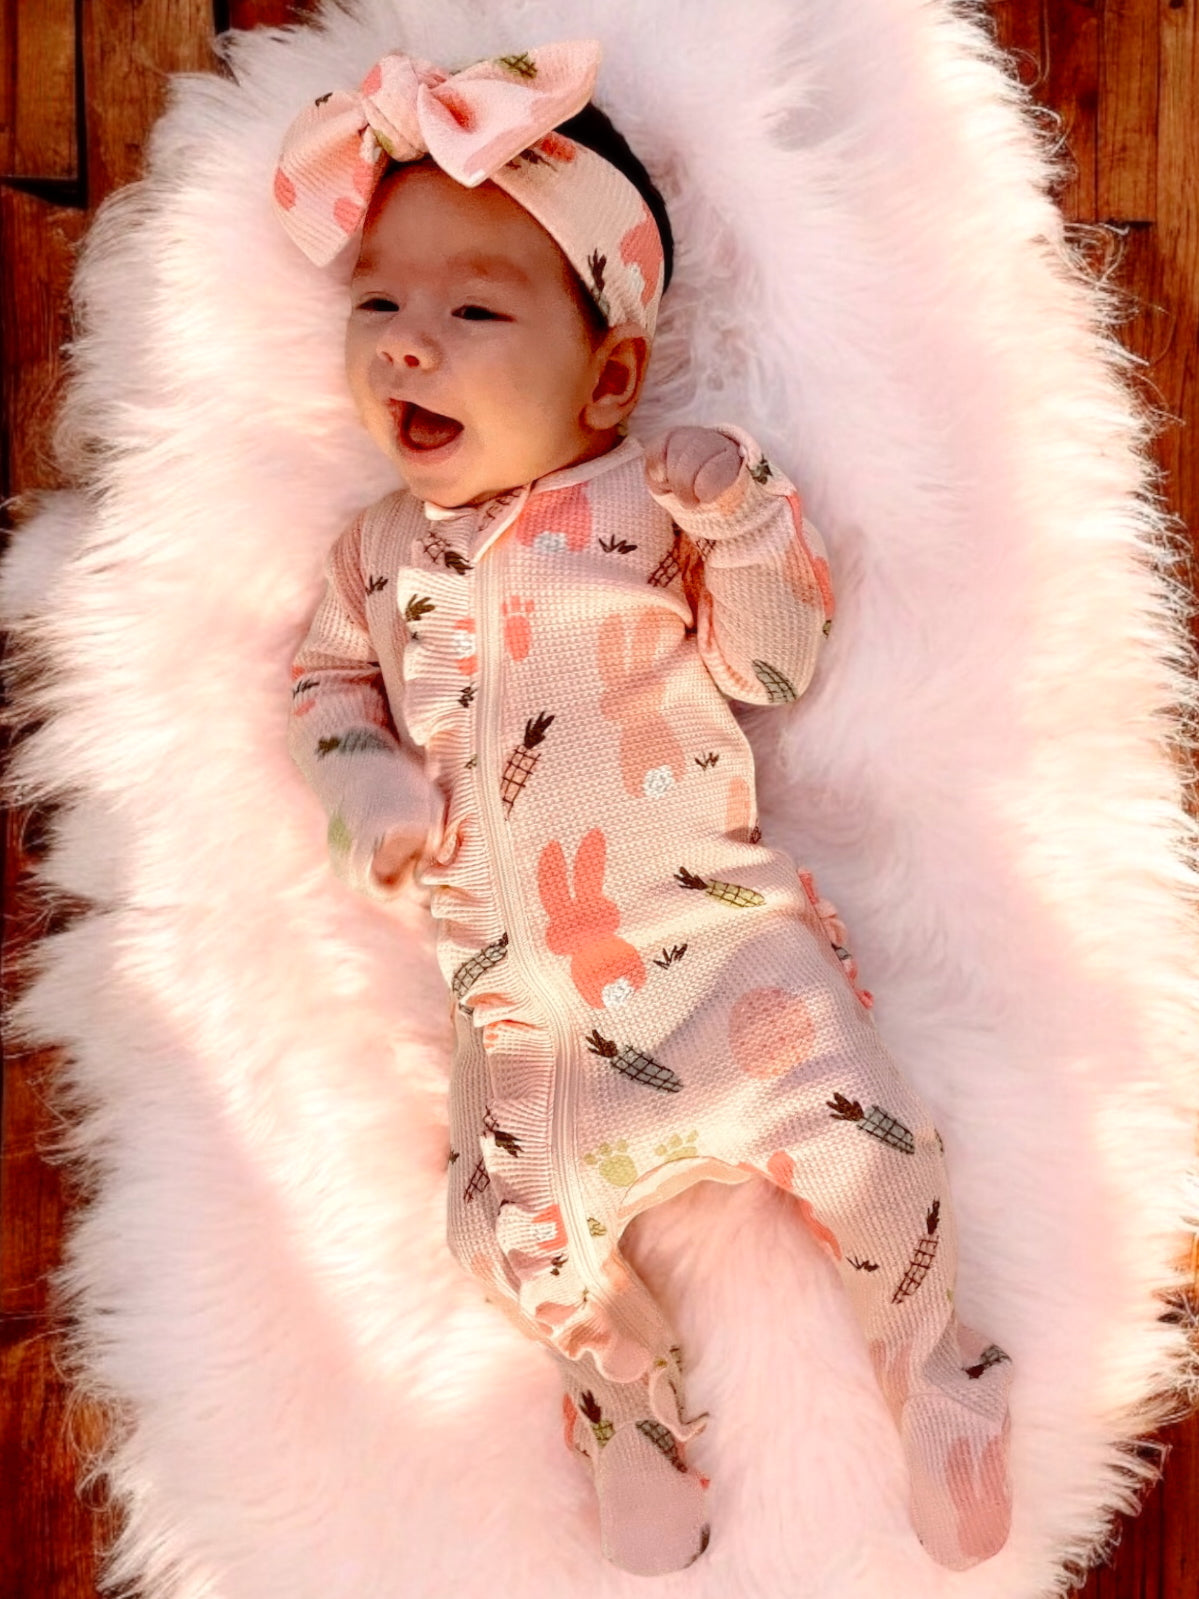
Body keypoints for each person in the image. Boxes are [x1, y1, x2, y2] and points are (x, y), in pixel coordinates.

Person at [275, 39, 1013, 1577]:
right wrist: (361, 784)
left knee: (874, 1147)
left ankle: (940, 1365)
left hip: (725, 968)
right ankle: (624, 1398)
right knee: (504, 1237)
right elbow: (323, 692)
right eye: (378, 307)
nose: (408, 346)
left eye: (474, 310)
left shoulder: (645, 506)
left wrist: (740, 516)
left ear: (607, 374)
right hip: (537, 1048)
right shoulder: (372, 559)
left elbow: (770, 661)